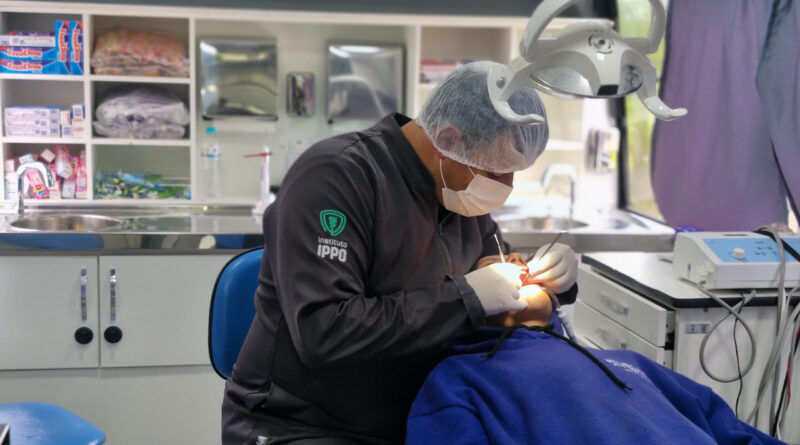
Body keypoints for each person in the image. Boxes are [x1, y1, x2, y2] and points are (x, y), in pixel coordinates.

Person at [221, 61, 579, 444]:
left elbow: (502, 280)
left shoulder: (460, 193)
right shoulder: (336, 178)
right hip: (301, 424)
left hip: (417, 415)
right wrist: (465, 298)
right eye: (494, 172)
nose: (504, 187)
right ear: (450, 139)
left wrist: (553, 280)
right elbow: (324, 331)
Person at [406, 285, 786, 445]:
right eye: (499, 264)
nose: (519, 263)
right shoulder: (458, 376)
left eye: (521, 261)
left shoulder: (624, 361)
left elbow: (728, 427)